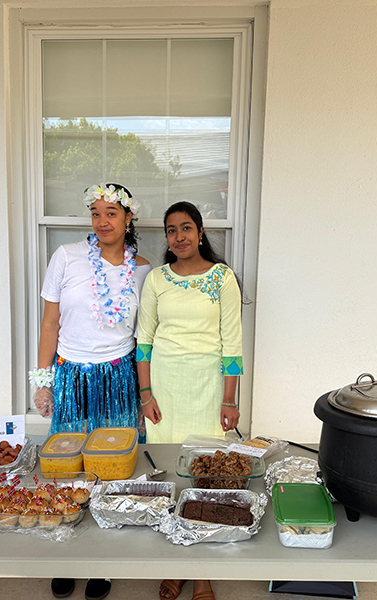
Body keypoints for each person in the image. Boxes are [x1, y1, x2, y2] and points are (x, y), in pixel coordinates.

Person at [29, 183, 151, 600]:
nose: (102, 221)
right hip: (71, 375)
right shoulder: (66, 257)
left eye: (112, 213)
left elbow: (146, 337)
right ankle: (66, 556)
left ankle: (103, 561)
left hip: (118, 377)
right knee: (67, 464)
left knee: (112, 467)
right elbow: (49, 324)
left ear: (128, 218)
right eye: (96, 213)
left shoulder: (143, 270)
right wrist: (42, 383)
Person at [136, 201, 243, 600]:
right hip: (165, 389)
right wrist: (145, 394)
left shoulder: (221, 278)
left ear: (200, 232)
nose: (178, 237)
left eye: (185, 228)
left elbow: (232, 344)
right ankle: (175, 564)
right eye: (170, 230)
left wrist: (229, 400)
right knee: (171, 477)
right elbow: (143, 341)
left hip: (208, 388)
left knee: (206, 478)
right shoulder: (157, 280)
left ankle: (202, 574)